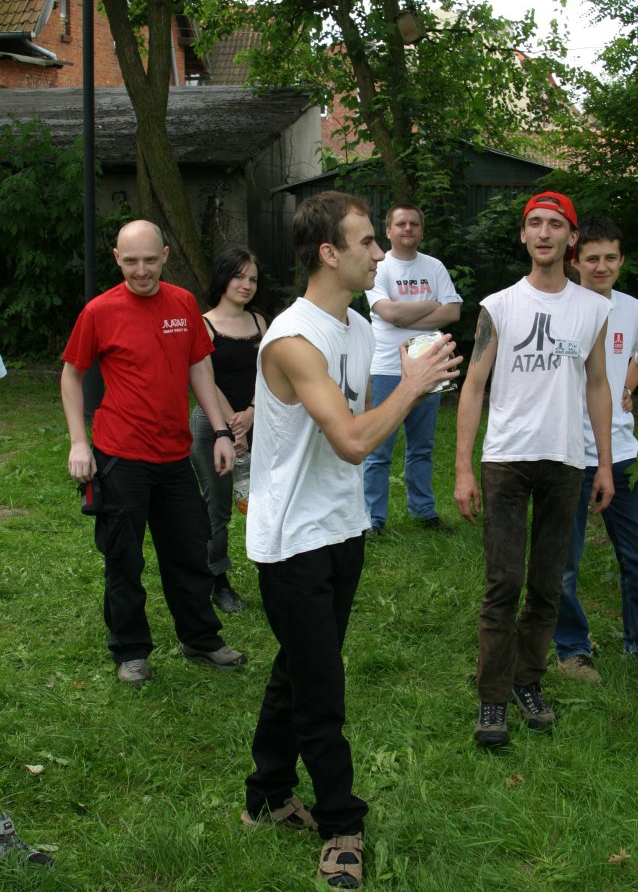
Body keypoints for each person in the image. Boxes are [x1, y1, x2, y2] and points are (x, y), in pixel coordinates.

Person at [241, 191, 460, 889]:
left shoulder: (360, 328)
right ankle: (342, 825)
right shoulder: (293, 338)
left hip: (342, 527)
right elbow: (352, 441)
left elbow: (359, 423)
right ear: (328, 252)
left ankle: (266, 793)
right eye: (367, 241)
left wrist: (406, 388)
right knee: (321, 690)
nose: (380, 252)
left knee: (301, 666)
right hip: (292, 540)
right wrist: (414, 385)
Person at [454, 191, 614, 749]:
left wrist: (604, 464)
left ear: (571, 237)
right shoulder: (499, 306)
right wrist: (463, 468)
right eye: (535, 224)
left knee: (547, 586)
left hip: (565, 460)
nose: (544, 233)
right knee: (504, 583)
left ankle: (528, 682)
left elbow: (598, 385)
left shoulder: (592, 309)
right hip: (506, 458)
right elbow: (473, 386)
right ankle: (493, 698)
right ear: (523, 234)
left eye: (555, 224)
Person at [61, 220, 246, 684]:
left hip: (174, 457)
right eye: (130, 261)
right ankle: (130, 651)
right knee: (124, 559)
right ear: (116, 258)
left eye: (149, 260)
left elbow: (199, 367)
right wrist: (79, 441)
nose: (141, 270)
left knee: (189, 553)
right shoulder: (99, 311)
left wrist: (221, 431)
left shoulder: (182, 304)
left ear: (165, 255)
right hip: (120, 457)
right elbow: (71, 374)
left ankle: (200, 639)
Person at [553, 215, 638, 680]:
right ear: (575, 261)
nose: (601, 266)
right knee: (563, 564)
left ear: (622, 260)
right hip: (565, 454)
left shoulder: (633, 311)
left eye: (610, 258)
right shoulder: (558, 308)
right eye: (592, 258)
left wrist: (627, 386)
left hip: (622, 454)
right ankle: (571, 649)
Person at [363, 203, 463, 535]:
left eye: (414, 224)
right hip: (386, 369)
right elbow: (388, 313)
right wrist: (431, 305)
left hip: (428, 367)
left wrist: (404, 315)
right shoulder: (378, 267)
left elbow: (453, 313)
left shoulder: (434, 266)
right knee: (378, 448)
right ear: (388, 230)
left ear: (421, 230)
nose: (408, 229)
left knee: (422, 447)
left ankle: (423, 511)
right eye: (401, 224)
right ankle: (372, 519)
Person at [190, 248, 267, 613]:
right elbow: (203, 378)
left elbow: (269, 373)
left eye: (252, 279)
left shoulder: (260, 322)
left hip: (257, 423)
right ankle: (217, 583)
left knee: (263, 502)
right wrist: (231, 426)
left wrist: (251, 412)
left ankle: (273, 572)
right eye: (239, 276)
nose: (246, 285)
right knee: (217, 508)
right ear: (223, 277)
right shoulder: (202, 324)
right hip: (212, 428)